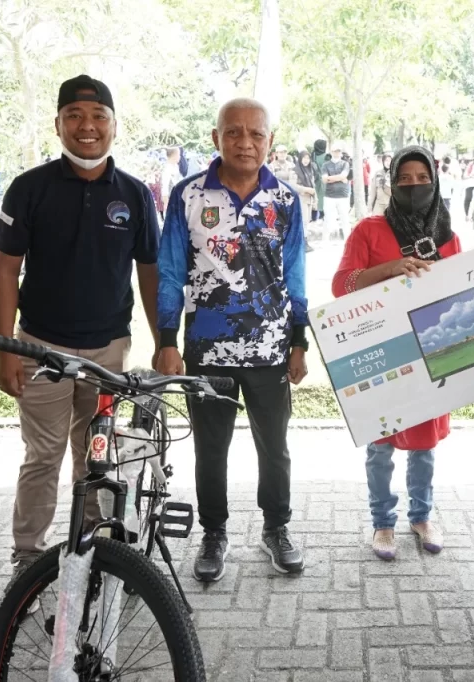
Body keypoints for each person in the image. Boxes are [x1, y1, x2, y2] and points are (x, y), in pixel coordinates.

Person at [0, 74, 161, 578]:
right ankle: (28, 557)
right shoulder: (29, 189)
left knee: (96, 458)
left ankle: (89, 551)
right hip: (40, 347)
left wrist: (163, 342)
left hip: (107, 352)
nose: (87, 127)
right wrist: (7, 349)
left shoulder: (134, 195)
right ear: (59, 124)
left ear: (114, 126)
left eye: (98, 117)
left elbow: (149, 274)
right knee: (42, 456)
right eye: (75, 116)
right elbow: (6, 269)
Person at [157, 97, 308, 582]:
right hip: (207, 350)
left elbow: (297, 275)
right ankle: (214, 532)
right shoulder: (188, 196)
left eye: (256, 133)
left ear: (270, 141)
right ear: (216, 137)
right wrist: (166, 339)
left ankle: (276, 528)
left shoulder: (284, 200)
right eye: (234, 132)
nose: (245, 142)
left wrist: (299, 342)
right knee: (211, 448)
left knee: (275, 448)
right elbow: (170, 272)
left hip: (269, 349)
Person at [331, 145, 458, 559]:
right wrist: (390, 269)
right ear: (392, 181)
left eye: (423, 178)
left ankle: (421, 517)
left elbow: (459, 291)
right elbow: (341, 286)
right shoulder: (369, 231)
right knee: (381, 444)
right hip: (381, 354)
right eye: (405, 178)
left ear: (435, 181)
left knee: (424, 446)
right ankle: (382, 524)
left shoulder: (447, 236)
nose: (414, 185)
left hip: (430, 353)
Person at [322, 142, 353, 240]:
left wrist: (330, 178)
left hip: (343, 195)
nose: (337, 153)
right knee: (327, 219)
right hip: (329, 196)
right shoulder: (325, 165)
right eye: (335, 151)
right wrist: (340, 178)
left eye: (338, 151)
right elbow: (324, 179)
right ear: (331, 152)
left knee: (345, 219)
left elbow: (344, 176)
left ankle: (348, 241)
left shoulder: (345, 164)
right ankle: (325, 241)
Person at [293, 150, 319, 224]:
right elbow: (293, 185)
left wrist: (315, 200)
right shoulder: (295, 171)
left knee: (307, 221)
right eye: (304, 158)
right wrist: (306, 189)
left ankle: (305, 235)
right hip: (300, 198)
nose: (306, 160)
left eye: (308, 158)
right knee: (303, 221)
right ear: (300, 158)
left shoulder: (310, 170)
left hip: (309, 199)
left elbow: (313, 186)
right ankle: (303, 236)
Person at [158, 147, 184, 220]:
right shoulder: (167, 168)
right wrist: (165, 199)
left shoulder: (175, 166)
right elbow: (165, 184)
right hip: (170, 195)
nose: (180, 157)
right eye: (179, 155)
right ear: (174, 155)